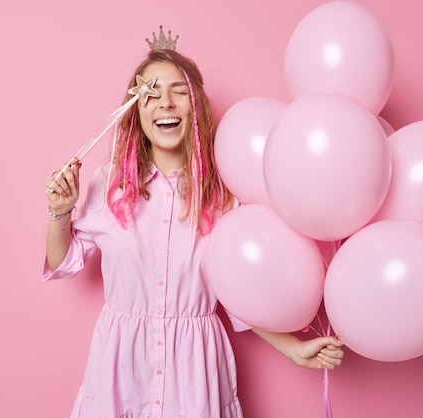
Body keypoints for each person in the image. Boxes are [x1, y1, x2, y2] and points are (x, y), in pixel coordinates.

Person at [44, 41, 344, 418]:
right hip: (120, 369)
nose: (166, 103)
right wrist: (60, 212)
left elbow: (239, 295)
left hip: (195, 371)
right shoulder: (110, 185)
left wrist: (294, 349)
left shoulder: (221, 193)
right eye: (151, 93)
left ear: (196, 106)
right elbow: (63, 261)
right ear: (135, 110)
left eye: (179, 91)